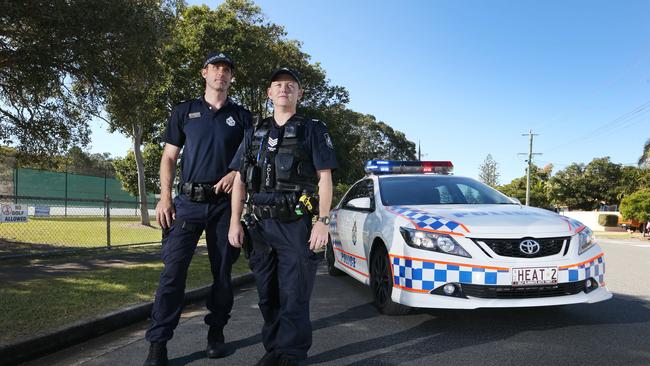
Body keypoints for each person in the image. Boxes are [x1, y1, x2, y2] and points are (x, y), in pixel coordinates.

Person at [144, 52, 252, 366]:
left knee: (222, 274)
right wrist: (165, 197)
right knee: (173, 274)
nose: (221, 73)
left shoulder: (243, 117)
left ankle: (216, 333)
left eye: (227, 69)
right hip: (187, 204)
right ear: (204, 73)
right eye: (216, 68)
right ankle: (158, 344)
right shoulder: (184, 111)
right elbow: (168, 158)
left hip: (224, 207)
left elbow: (248, 162)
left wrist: (235, 173)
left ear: (231, 77)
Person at [228, 67, 337, 366]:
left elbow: (324, 177)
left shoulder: (313, 128)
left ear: (300, 93)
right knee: (267, 296)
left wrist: (322, 221)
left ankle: (292, 355)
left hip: (295, 225)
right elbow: (239, 178)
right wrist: (234, 220)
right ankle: (274, 350)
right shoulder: (255, 131)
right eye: (277, 85)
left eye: (290, 86)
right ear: (269, 93)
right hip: (260, 227)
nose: (283, 89)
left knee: (294, 295)